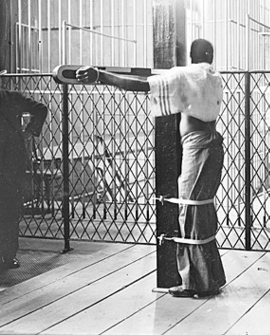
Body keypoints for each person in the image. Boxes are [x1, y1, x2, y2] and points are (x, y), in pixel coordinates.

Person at [76, 39, 226, 298]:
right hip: (212, 143)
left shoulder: (185, 73)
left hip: (197, 146)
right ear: (211, 55)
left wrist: (102, 76)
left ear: (190, 55)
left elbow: (143, 85)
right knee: (201, 208)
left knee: (189, 209)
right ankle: (210, 276)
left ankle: (195, 282)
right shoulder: (213, 75)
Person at [0, 71, 48, 271]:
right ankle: (8, 257)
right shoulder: (11, 97)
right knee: (10, 210)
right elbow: (41, 108)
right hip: (12, 161)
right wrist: (29, 132)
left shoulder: (11, 97)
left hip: (10, 161)